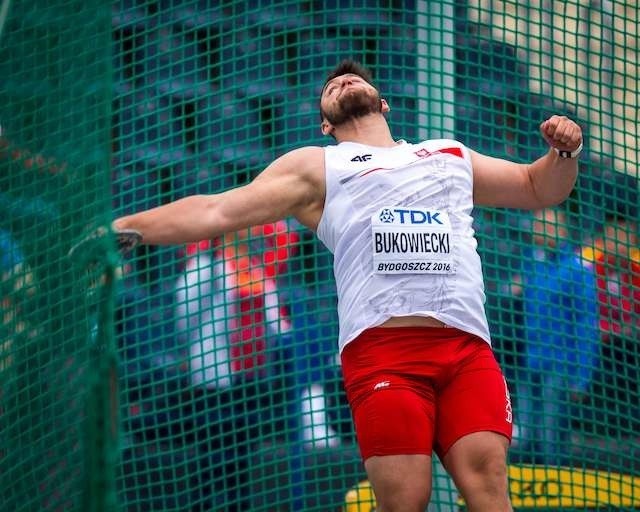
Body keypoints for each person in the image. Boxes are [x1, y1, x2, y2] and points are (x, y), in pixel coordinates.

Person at [112, 60, 584, 511]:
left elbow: (537, 187)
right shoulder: (319, 166)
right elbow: (218, 211)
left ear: (384, 105)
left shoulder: (448, 155)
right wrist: (130, 226)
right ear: (325, 124)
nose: (344, 81)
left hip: (465, 351)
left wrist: (562, 153)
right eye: (331, 86)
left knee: (488, 487)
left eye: (354, 79)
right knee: (405, 499)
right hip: (384, 354)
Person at [509, 208, 599, 465]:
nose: (540, 230)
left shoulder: (577, 269)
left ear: (562, 231)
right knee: (523, 437)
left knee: (551, 439)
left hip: (560, 368)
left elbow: (586, 325)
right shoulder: (530, 263)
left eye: (548, 226)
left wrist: (581, 378)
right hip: (529, 363)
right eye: (538, 225)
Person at [582, 212, 640, 435]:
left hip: (629, 352)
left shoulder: (636, 273)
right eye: (615, 235)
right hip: (597, 352)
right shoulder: (587, 268)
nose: (621, 242)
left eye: (628, 237)